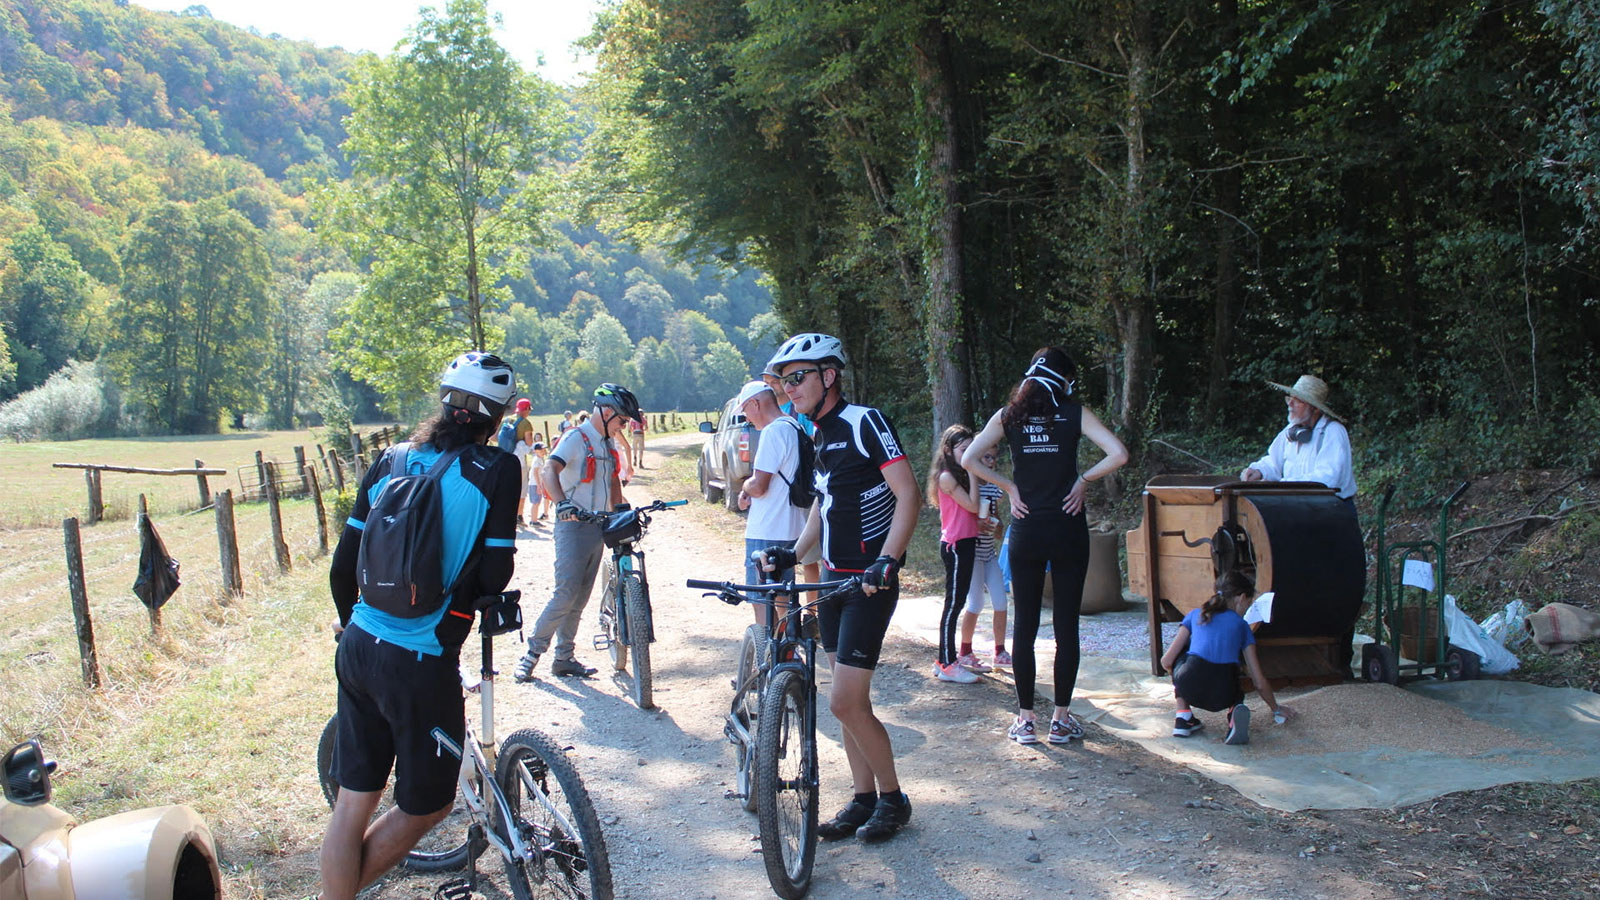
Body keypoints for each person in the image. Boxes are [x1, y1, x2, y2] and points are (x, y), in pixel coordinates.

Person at [321, 351, 521, 900]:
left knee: (352, 802)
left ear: (445, 401)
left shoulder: (391, 459)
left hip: (359, 644)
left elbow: (344, 564)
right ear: (496, 416)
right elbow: (497, 569)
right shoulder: (497, 469)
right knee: (427, 805)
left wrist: (348, 625)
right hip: (420, 656)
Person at [757, 332, 921, 844]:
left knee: (844, 702)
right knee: (847, 700)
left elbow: (909, 495)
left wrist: (888, 563)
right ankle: (863, 797)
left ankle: (894, 799)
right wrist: (794, 551)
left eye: (798, 377)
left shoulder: (864, 422)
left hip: (870, 582)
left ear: (830, 375)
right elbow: (821, 509)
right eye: (783, 381)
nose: (789, 388)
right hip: (832, 579)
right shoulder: (814, 434)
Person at [962, 347, 1129, 746]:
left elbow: (968, 457)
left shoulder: (1010, 415)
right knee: (1066, 626)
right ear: (1065, 379)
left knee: (1027, 627)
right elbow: (1119, 454)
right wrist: (1083, 480)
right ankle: (1061, 720)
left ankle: (1025, 721)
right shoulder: (1073, 411)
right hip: (1068, 528)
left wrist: (1009, 485)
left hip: (1026, 530)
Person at [513, 384, 641, 681]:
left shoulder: (607, 444)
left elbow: (612, 482)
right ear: (606, 412)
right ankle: (532, 654)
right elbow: (549, 471)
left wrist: (621, 513)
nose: (623, 426)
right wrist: (561, 504)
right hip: (573, 526)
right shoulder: (576, 438)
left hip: (598, 526)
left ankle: (564, 658)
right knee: (566, 593)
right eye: (621, 420)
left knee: (580, 598)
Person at [1159, 570, 1295, 744]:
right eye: (1249, 602)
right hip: (1224, 694)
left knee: (1184, 653)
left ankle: (1183, 716)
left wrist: (1181, 683)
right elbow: (1258, 681)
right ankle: (1234, 714)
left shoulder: (1195, 614)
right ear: (1241, 598)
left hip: (1189, 686)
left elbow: (1166, 661)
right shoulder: (1242, 626)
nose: (1248, 607)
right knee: (1232, 678)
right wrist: (1276, 709)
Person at [734, 380, 808, 624]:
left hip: (767, 528)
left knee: (761, 599)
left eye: (745, 410)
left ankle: (767, 653)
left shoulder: (772, 431)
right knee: (784, 598)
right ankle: (788, 652)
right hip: (793, 526)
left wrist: (745, 486)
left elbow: (759, 485)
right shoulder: (794, 426)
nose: (747, 418)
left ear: (755, 404)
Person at [1239, 374, 1356, 502]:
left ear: (1315, 408)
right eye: (1290, 398)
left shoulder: (1332, 431)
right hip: (1298, 505)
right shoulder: (1290, 429)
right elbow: (1273, 461)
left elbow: (1328, 478)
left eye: (1298, 400)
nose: (1290, 403)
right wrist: (1259, 471)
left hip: (1333, 509)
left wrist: (1281, 484)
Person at [927, 424, 982, 684]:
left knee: (955, 604)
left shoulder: (958, 473)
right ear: (948, 450)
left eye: (971, 448)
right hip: (956, 545)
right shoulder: (948, 476)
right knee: (953, 605)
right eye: (964, 449)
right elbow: (972, 505)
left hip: (965, 543)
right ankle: (948, 663)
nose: (968, 453)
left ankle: (943, 660)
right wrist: (973, 469)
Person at [959, 443, 1009, 671]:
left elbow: (998, 529)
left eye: (993, 458)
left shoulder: (992, 489)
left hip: (989, 553)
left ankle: (999, 651)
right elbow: (958, 520)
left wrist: (994, 525)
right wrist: (976, 523)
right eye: (986, 457)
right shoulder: (966, 487)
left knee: (1001, 601)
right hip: (972, 556)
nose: (991, 462)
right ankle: (965, 651)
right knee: (976, 603)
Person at [512, 398, 535, 523]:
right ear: (526, 410)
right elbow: (529, 442)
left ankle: (507, 514)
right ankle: (519, 515)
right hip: (520, 460)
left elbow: (495, 437)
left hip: (506, 457)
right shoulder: (526, 423)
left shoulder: (507, 420)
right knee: (521, 488)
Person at [526, 438, 550, 524]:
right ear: (536, 451)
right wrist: (539, 485)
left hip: (537, 483)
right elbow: (535, 472)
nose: (543, 451)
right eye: (541, 450)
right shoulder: (537, 460)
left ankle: (534, 519)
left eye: (543, 450)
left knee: (537, 502)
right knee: (535, 502)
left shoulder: (540, 459)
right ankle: (533, 520)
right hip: (535, 484)